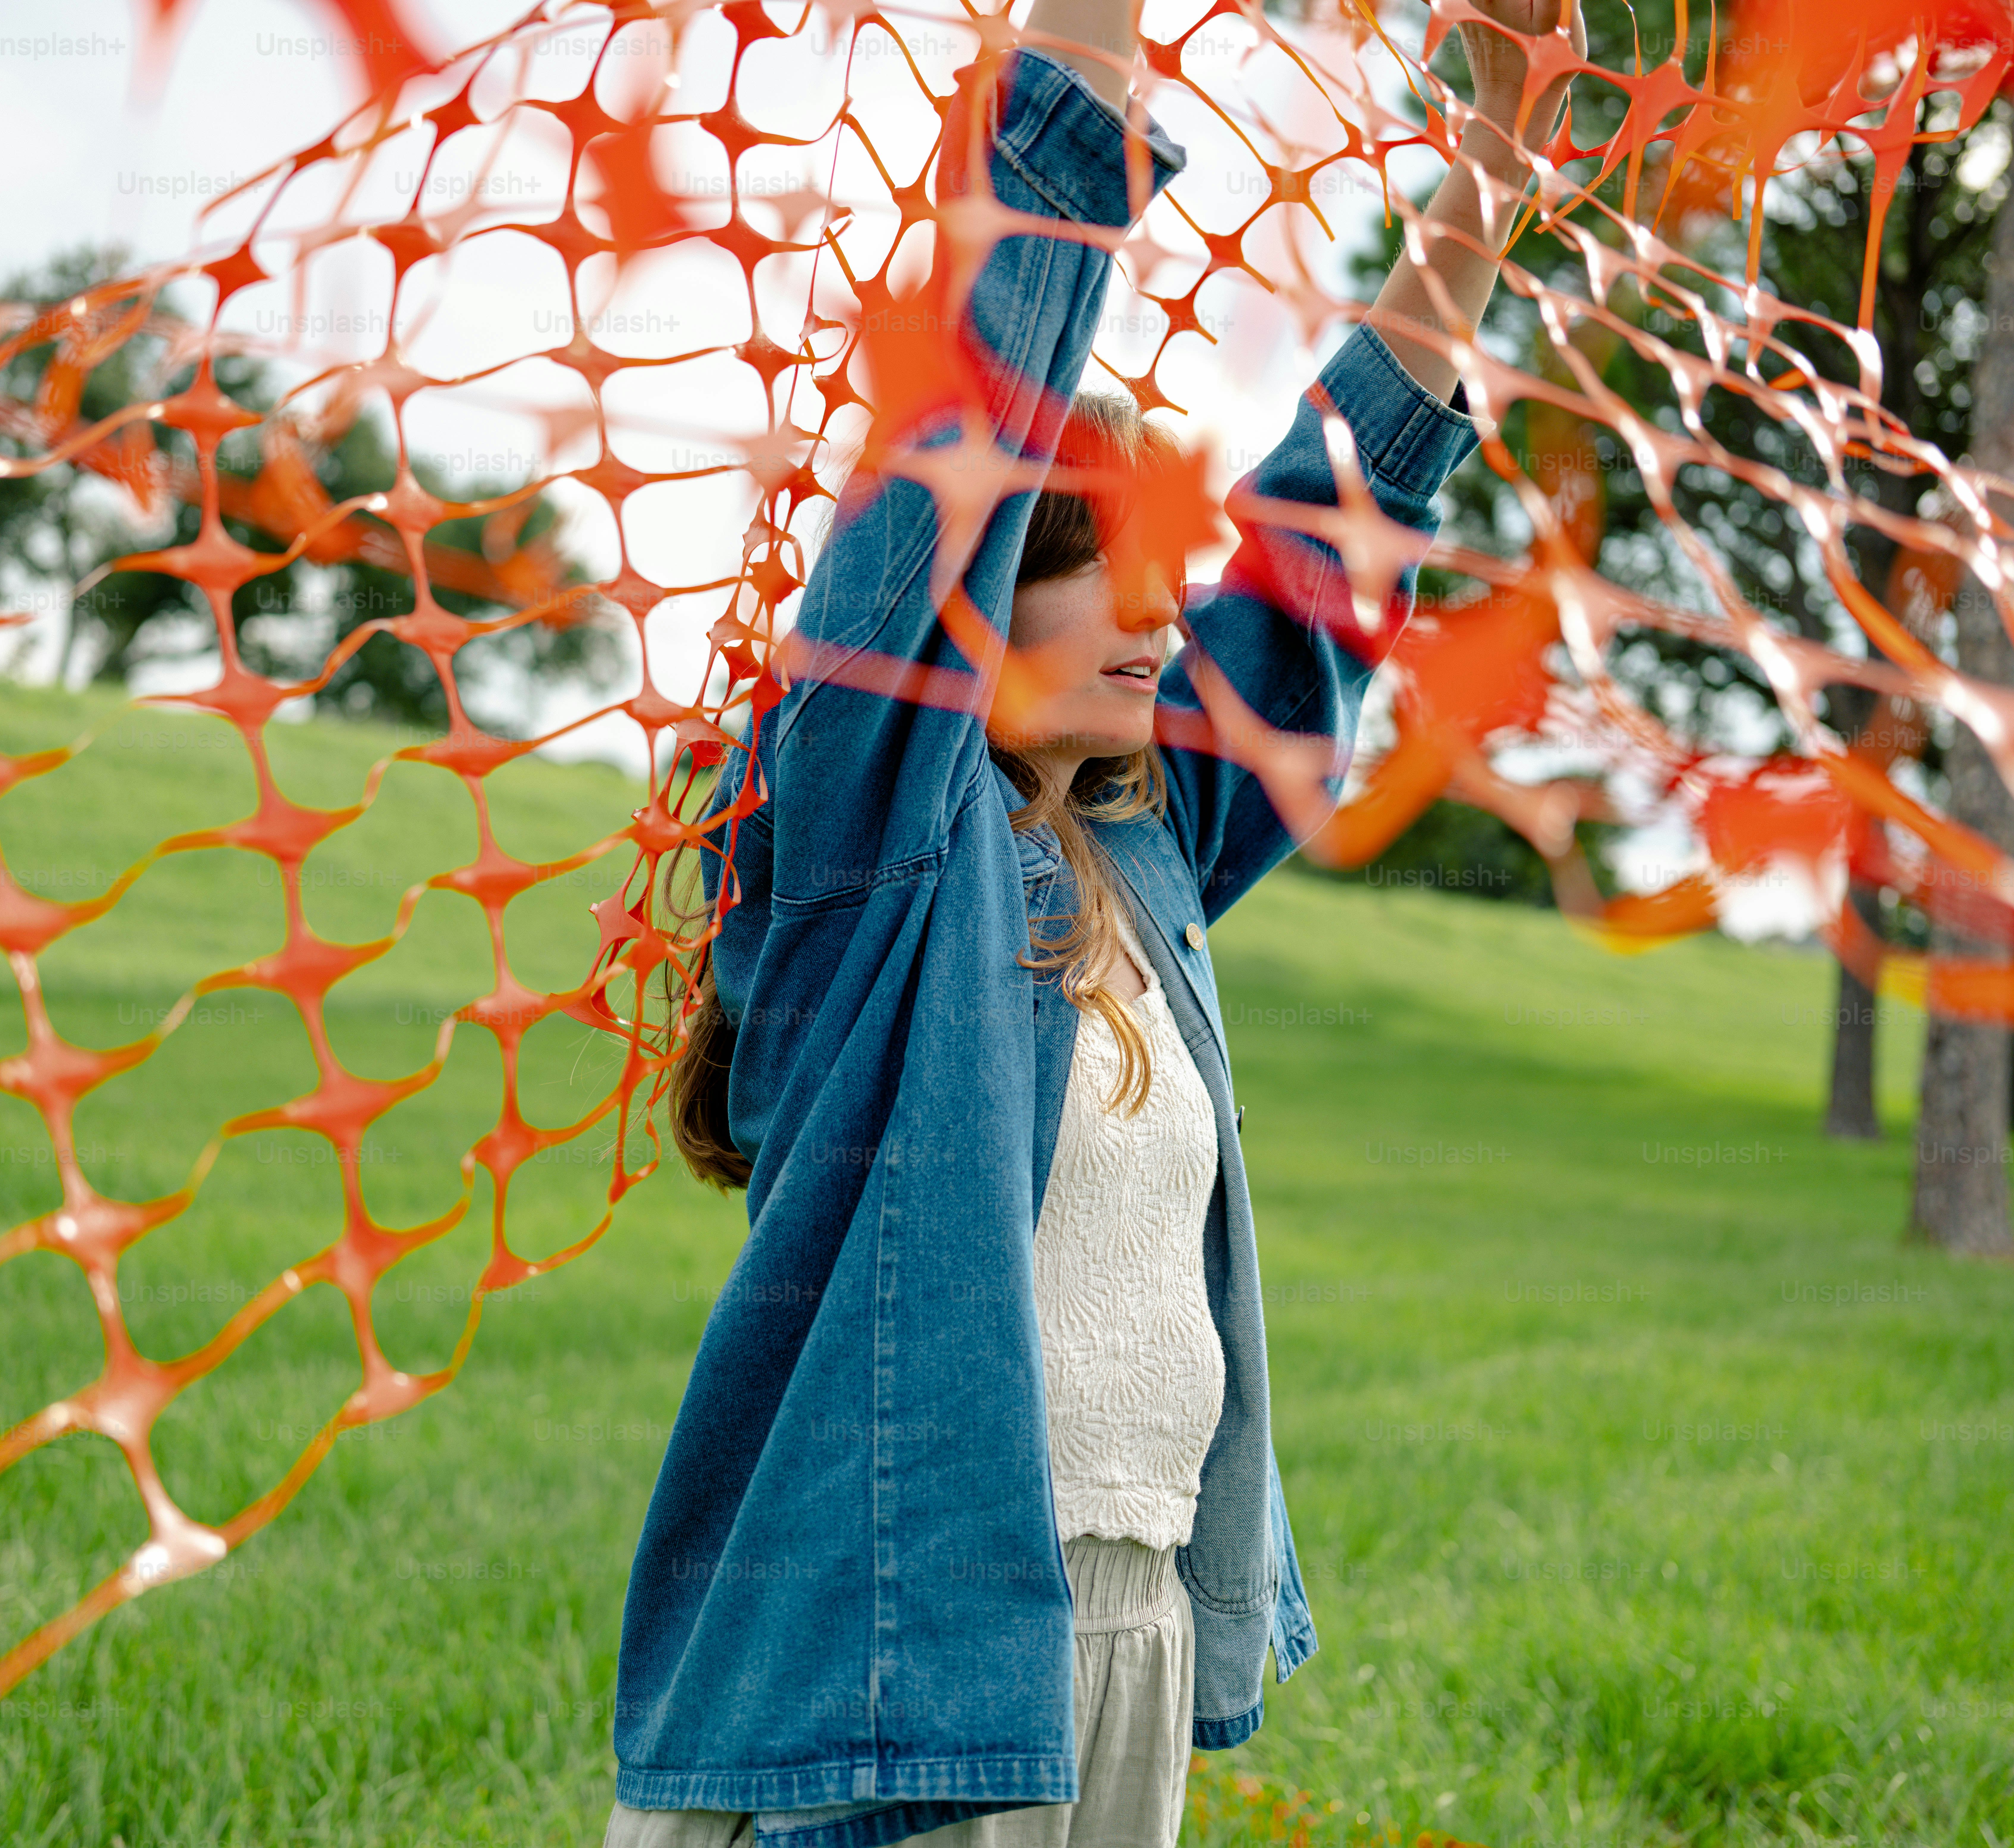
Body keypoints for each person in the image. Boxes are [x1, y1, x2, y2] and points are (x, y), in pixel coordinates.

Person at [605, 4, 1580, 1844]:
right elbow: (974, 394)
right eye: (1103, 578)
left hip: (1118, 1629)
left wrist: (1491, 173)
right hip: (901, 1650)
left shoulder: (1146, 847)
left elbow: (1326, 544)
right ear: (970, 613)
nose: (1160, 616)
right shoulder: (874, 839)